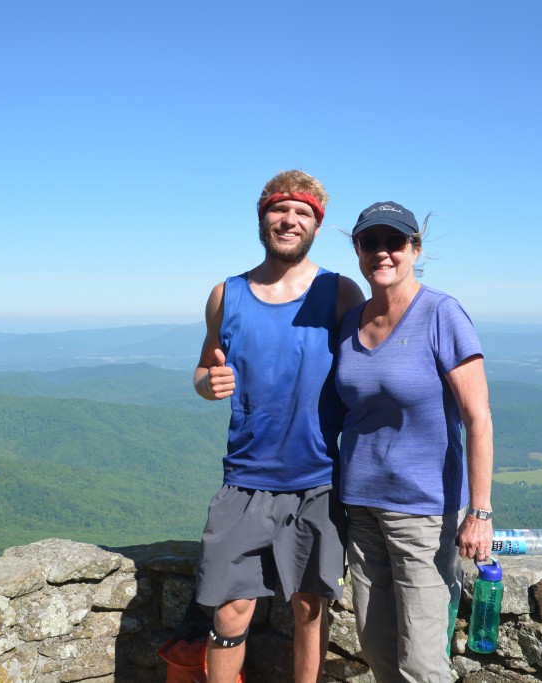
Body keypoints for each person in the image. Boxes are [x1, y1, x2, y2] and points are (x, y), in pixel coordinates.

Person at [193, 170, 365, 683]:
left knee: (310, 611)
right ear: (262, 216)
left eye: (303, 213)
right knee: (230, 610)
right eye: (279, 210)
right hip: (244, 479)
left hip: (316, 481)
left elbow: (369, 371)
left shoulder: (339, 294)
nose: (289, 220)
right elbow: (206, 368)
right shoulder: (227, 294)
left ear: (316, 224)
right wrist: (208, 383)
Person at [335, 201, 494, 683]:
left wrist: (481, 512)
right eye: (371, 243)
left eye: (395, 242)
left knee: (422, 663)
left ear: (415, 249)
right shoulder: (350, 322)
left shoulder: (441, 314)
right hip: (360, 507)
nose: (383, 252)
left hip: (422, 513)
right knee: (377, 647)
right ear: (358, 250)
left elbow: (478, 417)